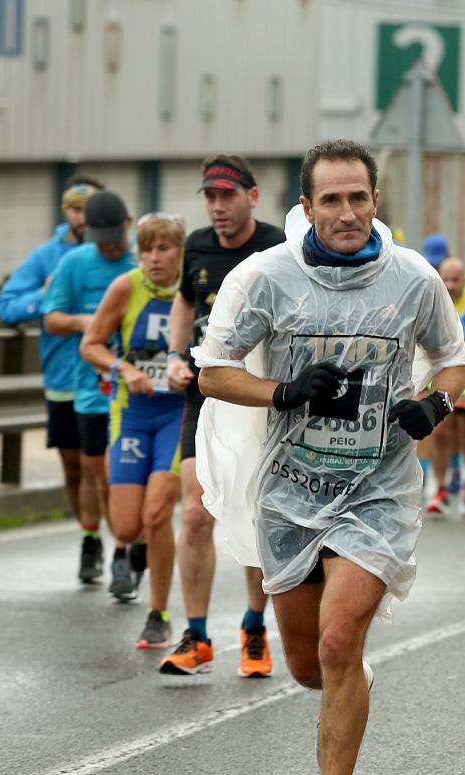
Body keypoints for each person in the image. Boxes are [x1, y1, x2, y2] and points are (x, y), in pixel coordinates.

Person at [194, 140, 465, 775]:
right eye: (332, 200)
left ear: (375, 202)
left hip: (377, 488)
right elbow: (213, 372)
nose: (347, 213)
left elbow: (454, 356)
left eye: (359, 198)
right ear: (306, 207)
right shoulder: (265, 277)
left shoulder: (411, 279)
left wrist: (433, 404)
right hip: (289, 490)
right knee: (310, 664)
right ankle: (348, 683)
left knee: (341, 641)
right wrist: (281, 392)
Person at [163, 155, 286, 677]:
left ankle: (254, 627)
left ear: (251, 197)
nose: (217, 207)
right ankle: (195, 635)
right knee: (195, 512)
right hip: (205, 390)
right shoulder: (196, 245)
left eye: (227, 196)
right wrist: (173, 355)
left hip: (257, 395)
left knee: (252, 510)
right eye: (209, 197)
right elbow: (185, 303)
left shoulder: (278, 247)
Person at [80, 213, 187, 651]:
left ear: (181, 252)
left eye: (163, 249)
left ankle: (158, 614)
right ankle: (136, 549)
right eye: (145, 249)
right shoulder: (126, 287)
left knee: (156, 513)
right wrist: (123, 367)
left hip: (177, 415)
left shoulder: (196, 289)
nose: (153, 258)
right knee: (126, 526)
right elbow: (91, 344)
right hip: (132, 413)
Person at [0, 178, 103, 548]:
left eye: (88, 208)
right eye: (74, 209)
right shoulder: (46, 257)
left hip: (111, 379)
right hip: (64, 377)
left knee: (101, 466)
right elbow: (7, 307)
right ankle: (90, 537)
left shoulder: (122, 253)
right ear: (65, 212)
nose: (82, 217)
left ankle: (117, 538)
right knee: (74, 468)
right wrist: (46, 297)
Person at [42, 191, 139, 596]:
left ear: (128, 225)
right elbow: (51, 319)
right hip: (90, 387)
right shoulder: (75, 262)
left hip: (137, 390)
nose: (108, 246)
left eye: (114, 238)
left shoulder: (142, 263)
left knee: (124, 479)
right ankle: (91, 540)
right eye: (100, 239)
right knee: (95, 475)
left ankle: (124, 553)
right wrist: (91, 321)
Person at [422, 256, 465, 515]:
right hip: (444, 373)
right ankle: (442, 488)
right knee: (442, 432)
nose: (450, 285)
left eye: (455, 280)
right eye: (445, 279)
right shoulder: (433, 294)